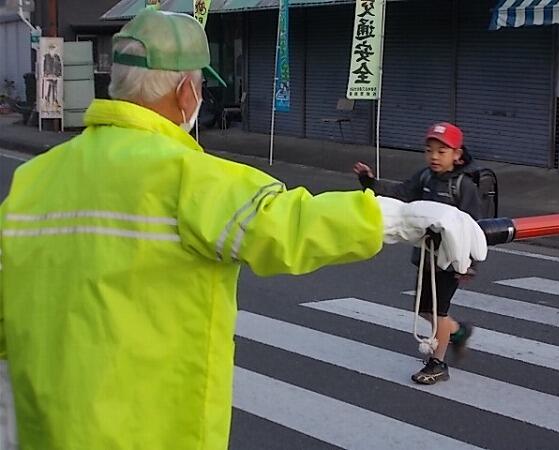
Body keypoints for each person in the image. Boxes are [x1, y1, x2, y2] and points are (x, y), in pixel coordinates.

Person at [0, 11, 487, 450]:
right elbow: (289, 224)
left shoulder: (34, 179)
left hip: (47, 429)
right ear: (186, 92)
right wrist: (399, 218)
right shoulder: (189, 176)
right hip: (154, 430)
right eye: (200, 86)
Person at [354, 122, 482, 386]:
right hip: (425, 256)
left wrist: (469, 264)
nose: (434, 156)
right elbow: (400, 195)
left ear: (457, 155)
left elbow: (474, 228)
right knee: (424, 309)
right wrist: (370, 182)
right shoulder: (425, 177)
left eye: (442, 151)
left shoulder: (463, 186)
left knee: (437, 312)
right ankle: (459, 332)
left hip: (450, 262)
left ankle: (438, 363)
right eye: (429, 150)